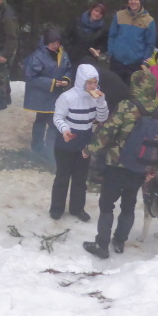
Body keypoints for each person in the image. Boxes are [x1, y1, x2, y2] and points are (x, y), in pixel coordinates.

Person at [82, 69, 158, 259]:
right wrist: (153, 169)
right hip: (140, 168)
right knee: (129, 205)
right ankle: (119, 241)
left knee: (107, 204)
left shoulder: (126, 106)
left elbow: (107, 132)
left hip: (116, 165)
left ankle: (102, 245)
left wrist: (89, 149)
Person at [50, 63, 108, 221]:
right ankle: (56, 208)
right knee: (62, 177)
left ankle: (77, 208)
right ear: (81, 81)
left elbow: (102, 118)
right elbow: (58, 117)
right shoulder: (67, 97)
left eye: (95, 82)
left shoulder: (95, 98)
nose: (93, 86)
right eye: (89, 82)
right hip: (66, 142)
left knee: (80, 178)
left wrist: (101, 102)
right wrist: (65, 130)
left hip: (85, 143)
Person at [23, 28, 71, 153]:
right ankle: (37, 146)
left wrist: (66, 79)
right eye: (53, 43)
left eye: (58, 42)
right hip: (42, 96)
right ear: (47, 42)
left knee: (55, 122)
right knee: (41, 121)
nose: (56, 45)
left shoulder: (63, 54)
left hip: (56, 96)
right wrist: (52, 83)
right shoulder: (38, 56)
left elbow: (68, 69)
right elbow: (31, 77)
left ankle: (51, 148)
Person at [107, 0, 156, 85]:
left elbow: (150, 44)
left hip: (135, 65)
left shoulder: (149, 20)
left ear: (141, 1)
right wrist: (111, 53)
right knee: (113, 88)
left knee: (129, 91)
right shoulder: (119, 15)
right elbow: (112, 35)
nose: (133, 2)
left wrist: (144, 63)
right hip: (117, 62)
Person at [62, 2, 109, 66]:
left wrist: (99, 50)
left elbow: (104, 44)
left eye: (101, 13)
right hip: (72, 57)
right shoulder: (77, 21)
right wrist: (70, 49)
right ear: (91, 10)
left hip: (89, 60)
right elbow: (65, 36)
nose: (97, 14)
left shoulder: (103, 28)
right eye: (96, 11)